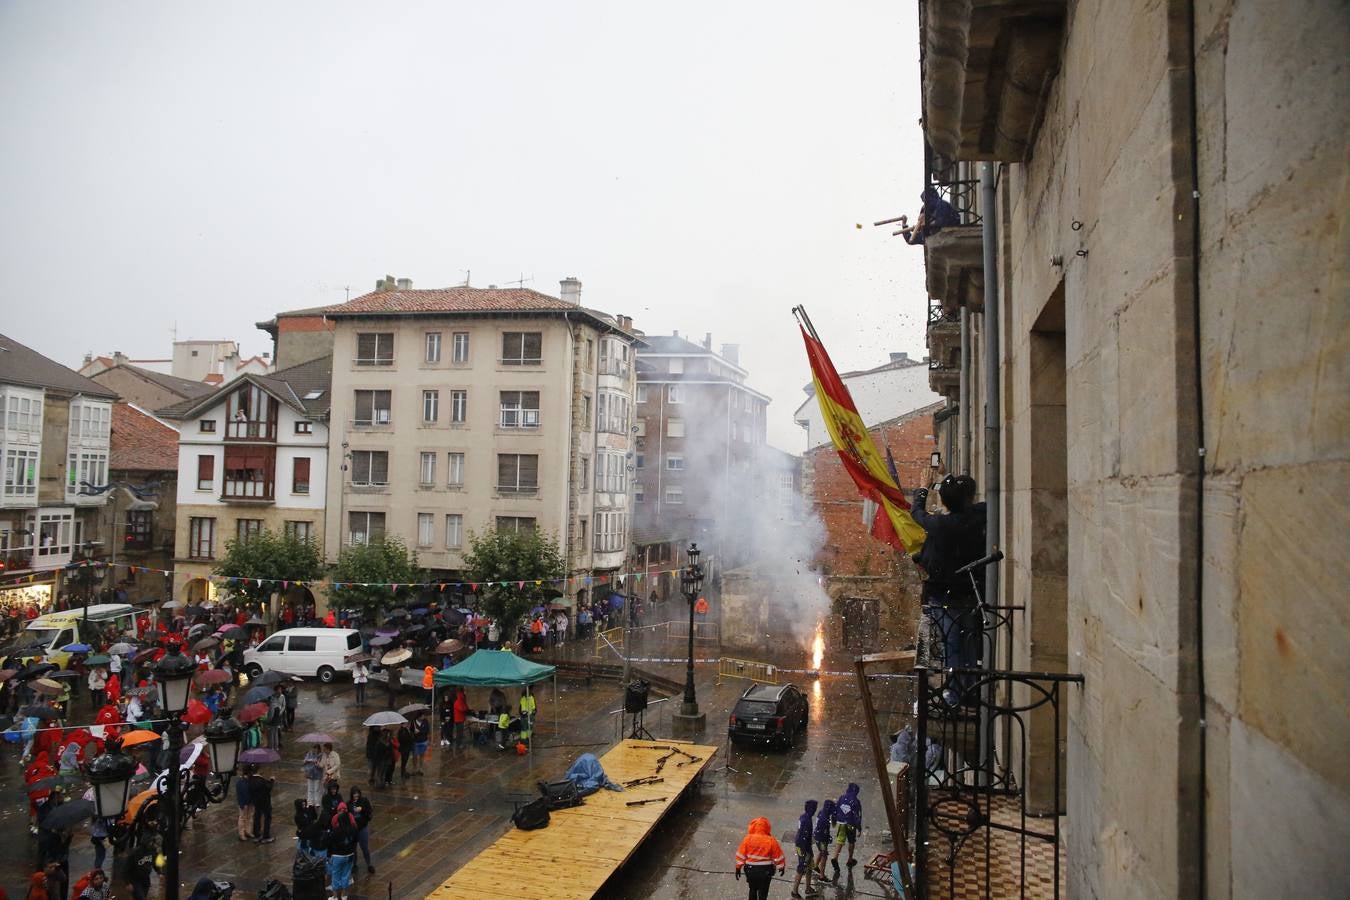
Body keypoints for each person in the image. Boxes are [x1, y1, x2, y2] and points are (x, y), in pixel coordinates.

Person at [912, 475, 987, 704]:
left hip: (945, 594)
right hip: (971, 592)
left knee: (952, 644)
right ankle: (971, 689)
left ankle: (957, 694)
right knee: (969, 642)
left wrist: (924, 488)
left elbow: (916, 513)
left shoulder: (941, 525)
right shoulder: (979, 515)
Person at [735, 816, 785, 900]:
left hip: (751, 871)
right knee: (763, 893)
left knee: (752, 889)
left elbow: (741, 855)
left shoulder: (748, 839)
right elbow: (778, 855)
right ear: (767, 827)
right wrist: (781, 866)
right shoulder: (771, 840)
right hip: (766, 871)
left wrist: (738, 868)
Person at [326, 803, 359, 900]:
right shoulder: (353, 829)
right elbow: (356, 840)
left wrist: (330, 854)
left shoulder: (336, 831)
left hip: (338, 856)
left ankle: (335, 896)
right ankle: (344, 895)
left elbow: (330, 843)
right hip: (349, 855)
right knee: (346, 874)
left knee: (335, 875)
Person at [829, 783, 862, 878]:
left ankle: (835, 857)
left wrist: (834, 819)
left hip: (841, 823)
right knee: (851, 841)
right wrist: (859, 827)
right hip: (850, 824)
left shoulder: (842, 797)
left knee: (840, 840)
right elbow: (857, 816)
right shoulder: (856, 801)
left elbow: (836, 809)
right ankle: (850, 859)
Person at [791, 800, 819, 898]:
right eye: (815, 808)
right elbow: (803, 836)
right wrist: (804, 852)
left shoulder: (804, 817)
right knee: (802, 867)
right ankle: (795, 891)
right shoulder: (807, 820)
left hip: (804, 846)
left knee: (809, 867)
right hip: (804, 847)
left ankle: (808, 887)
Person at [349, 786, 375, 875]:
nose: (356, 796)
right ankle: (354, 864)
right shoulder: (349, 804)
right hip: (353, 830)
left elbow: (369, 811)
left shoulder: (364, 801)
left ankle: (369, 864)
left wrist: (362, 809)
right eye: (354, 794)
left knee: (365, 847)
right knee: (353, 848)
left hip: (362, 828)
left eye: (357, 794)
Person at [247, 764, 275, 843]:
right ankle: (266, 836)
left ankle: (257, 835)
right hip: (265, 802)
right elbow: (268, 788)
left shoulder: (251, 779)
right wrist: (272, 780)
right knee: (267, 817)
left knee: (257, 816)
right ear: (259, 770)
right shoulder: (261, 780)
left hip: (256, 801)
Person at [813, 798, 836, 879]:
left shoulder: (821, 813)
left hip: (816, 836)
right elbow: (824, 833)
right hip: (821, 839)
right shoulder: (825, 819)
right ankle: (822, 875)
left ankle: (815, 866)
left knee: (821, 852)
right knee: (824, 855)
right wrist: (828, 838)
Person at [235, 764, 254, 841]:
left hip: (250, 802)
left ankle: (248, 831)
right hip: (244, 803)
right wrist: (243, 804)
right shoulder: (241, 782)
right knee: (243, 818)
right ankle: (241, 833)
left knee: (249, 817)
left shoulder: (248, 781)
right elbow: (241, 795)